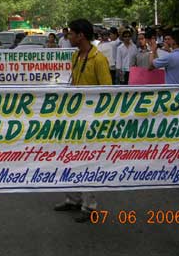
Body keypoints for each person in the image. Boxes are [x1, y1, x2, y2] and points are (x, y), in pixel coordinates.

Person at [54, 18, 112, 223]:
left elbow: (107, 93)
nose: (68, 37)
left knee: (89, 161)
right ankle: (73, 198)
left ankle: (90, 206)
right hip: (75, 118)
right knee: (70, 158)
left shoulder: (99, 59)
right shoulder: (76, 57)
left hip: (91, 120)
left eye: (71, 33)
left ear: (81, 35)